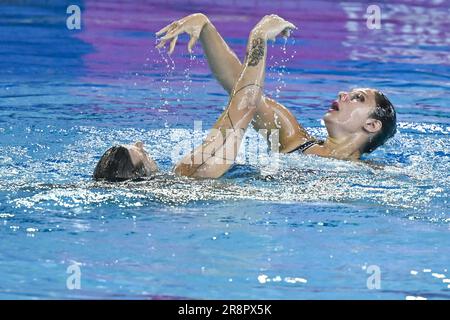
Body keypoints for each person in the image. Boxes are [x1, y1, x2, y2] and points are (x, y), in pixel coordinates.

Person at [93, 13, 397, 181]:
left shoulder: (375, 176)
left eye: (357, 98)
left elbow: (243, 97)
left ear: (372, 126)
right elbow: (243, 95)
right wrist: (243, 34)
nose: (344, 94)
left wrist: (209, 28)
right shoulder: (293, 139)